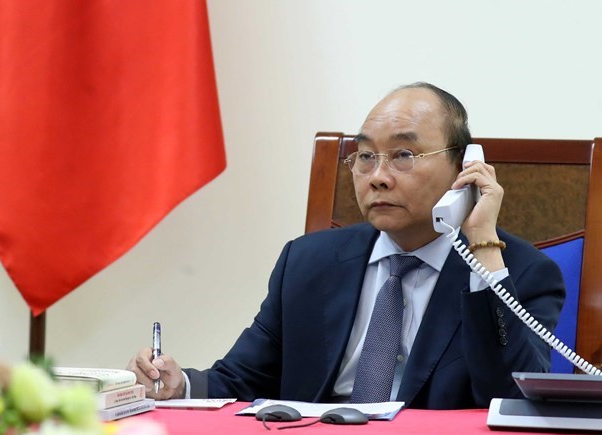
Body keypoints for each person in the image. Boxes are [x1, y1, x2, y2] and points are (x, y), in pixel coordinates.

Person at [126, 82, 565, 409]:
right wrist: (178, 383)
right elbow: (243, 378)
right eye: (366, 156)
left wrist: (484, 251)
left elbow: (511, 402)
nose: (377, 175)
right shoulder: (307, 261)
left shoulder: (519, 272)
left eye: (404, 155)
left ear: (462, 168)